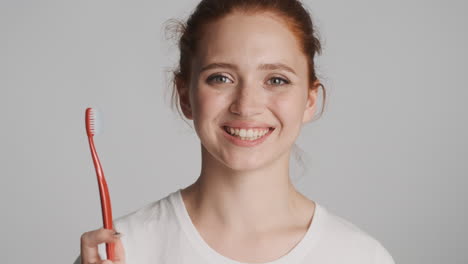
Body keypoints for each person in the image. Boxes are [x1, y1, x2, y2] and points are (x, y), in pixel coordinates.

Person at [77, 0, 396, 263]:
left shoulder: (360, 256)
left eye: (276, 80)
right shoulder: (122, 251)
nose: (246, 106)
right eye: (221, 78)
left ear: (310, 101)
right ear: (185, 95)